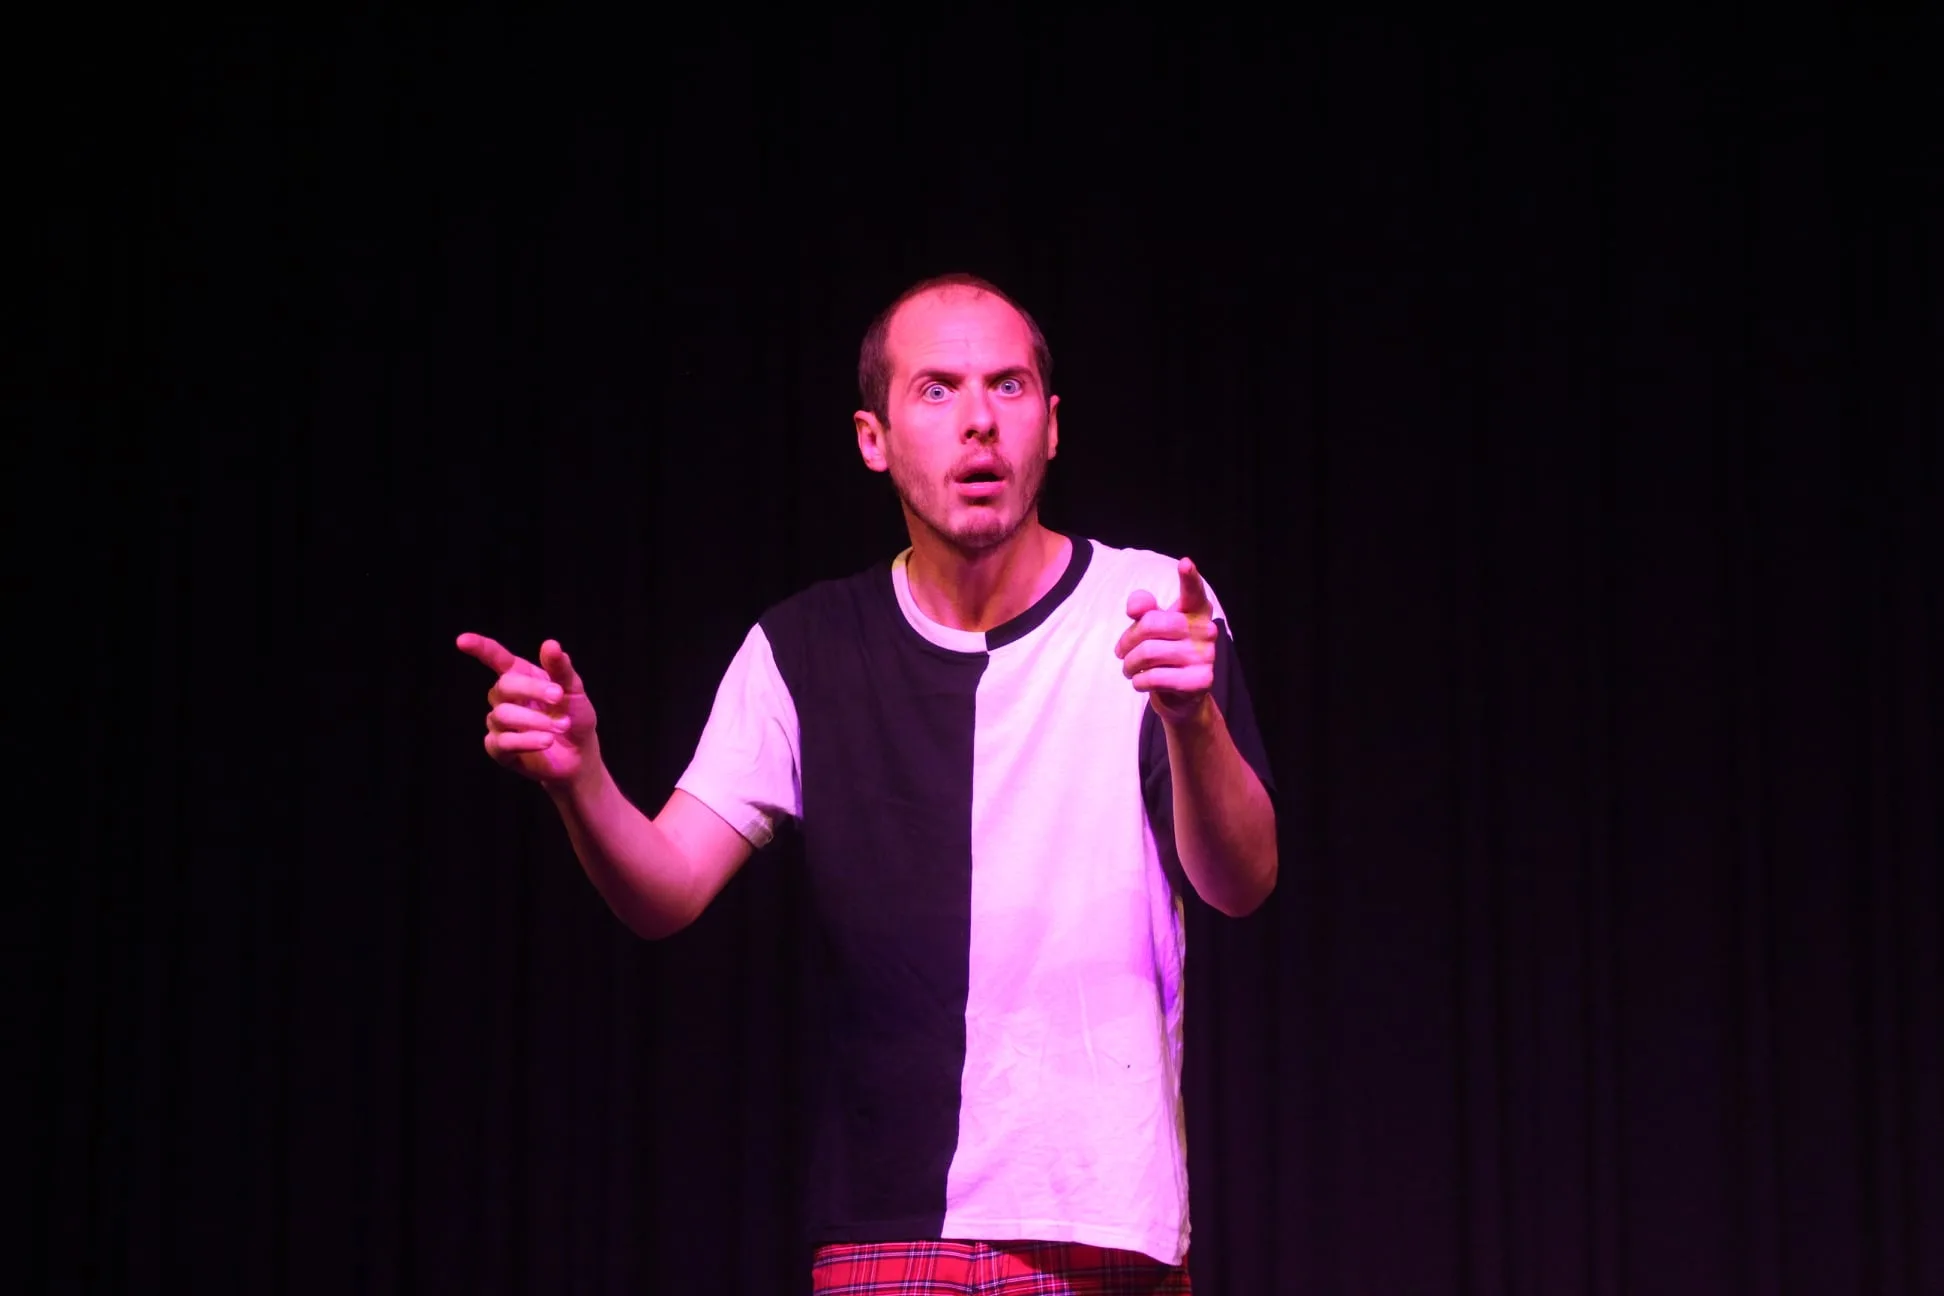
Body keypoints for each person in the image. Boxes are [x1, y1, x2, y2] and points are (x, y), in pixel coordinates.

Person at [457, 273, 1278, 1294]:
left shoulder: (1149, 607)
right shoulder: (803, 648)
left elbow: (1242, 881)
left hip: (1102, 1220)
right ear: (872, 438)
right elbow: (665, 888)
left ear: (1053, 425)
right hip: (888, 1228)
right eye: (937, 389)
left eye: (1009, 386)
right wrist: (579, 781)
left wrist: (1193, 722)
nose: (979, 421)